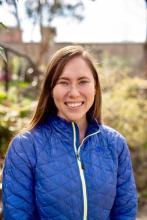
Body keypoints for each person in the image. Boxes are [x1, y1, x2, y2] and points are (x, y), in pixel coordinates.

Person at [2, 45, 138, 220]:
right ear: (51, 90)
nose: (74, 92)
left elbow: (125, 213)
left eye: (83, 81)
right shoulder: (25, 147)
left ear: (95, 87)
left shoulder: (115, 144)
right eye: (63, 82)